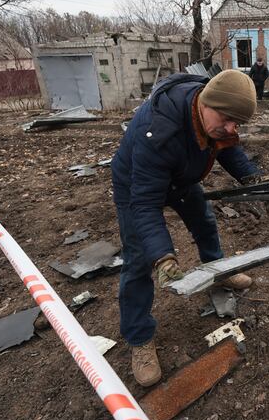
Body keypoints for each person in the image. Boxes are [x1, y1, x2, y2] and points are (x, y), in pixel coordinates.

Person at [110, 69, 261, 387]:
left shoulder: (214, 113)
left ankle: (218, 272)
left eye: (239, 123)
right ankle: (140, 339)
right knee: (139, 258)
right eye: (229, 119)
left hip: (179, 174)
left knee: (205, 223)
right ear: (206, 104)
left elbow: (226, 144)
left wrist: (250, 176)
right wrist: (163, 256)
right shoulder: (160, 131)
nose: (233, 128)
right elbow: (146, 205)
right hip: (137, 183)